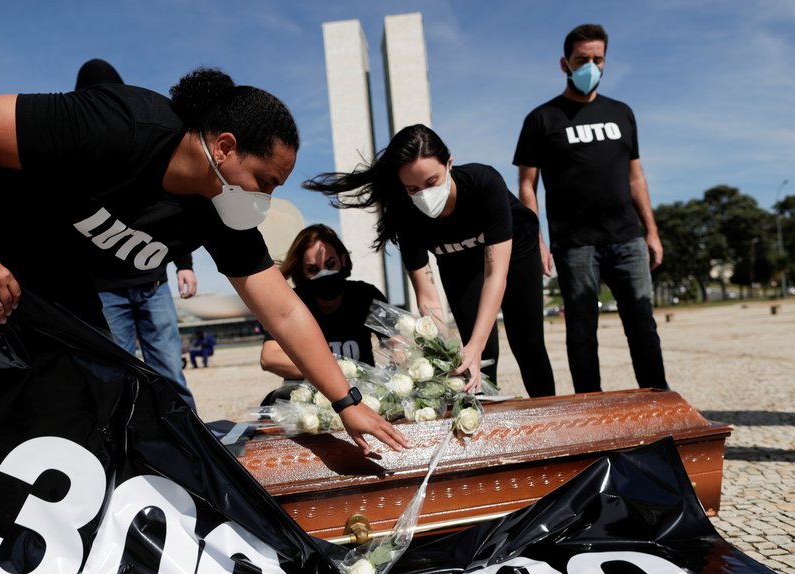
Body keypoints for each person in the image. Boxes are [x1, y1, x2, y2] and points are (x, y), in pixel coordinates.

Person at [0, 68, 409, 574]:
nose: (267, 197)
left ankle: (10, 551)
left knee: (92, 396)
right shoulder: (126, 124)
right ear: (224, 149)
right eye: (265, 179)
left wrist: (346, 401)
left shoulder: (216, 210)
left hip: (31, 266)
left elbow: (281, 309)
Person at [305, 125, 555, 397]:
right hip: (457, 261)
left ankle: (552, 421)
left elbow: (496, 274)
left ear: (449, 163)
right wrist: (446, 349)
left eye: (431, 182)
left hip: (514, 250)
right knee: (477, 359)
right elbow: (428, 299)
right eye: (412, 188)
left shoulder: (484, 182)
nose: (423, 194)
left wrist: (476, 345)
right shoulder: (405, 213)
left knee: (526, 343)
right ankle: (482, 425)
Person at [513, 23, 667, 393]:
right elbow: (526, 186)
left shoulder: (622, 113)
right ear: (565, 63)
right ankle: (590, 406)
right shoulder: (541, 119)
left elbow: (636, 178)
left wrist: (652, 231)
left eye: (598, 59)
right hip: (575, 243)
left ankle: (659, 401)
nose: (591, 66)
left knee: (643, 323)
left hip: (627, 238)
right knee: (582, 330)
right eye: (583, 60)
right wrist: (538, 241)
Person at [76, 58, 198, 409]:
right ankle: (114, 449)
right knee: (112, 373)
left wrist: (184, 264)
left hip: (153, 285)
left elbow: (170, 210)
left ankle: (192, 446)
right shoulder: (79, 150)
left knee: (170, 371)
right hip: (105, 291)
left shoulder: (141, 142)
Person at [259, 224, 388, 403]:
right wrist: (333, 370)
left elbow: (397, 343)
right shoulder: (293, 302)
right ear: (302, 272)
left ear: (342, 260)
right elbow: (269, 358)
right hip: (306, 400)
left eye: (330, 264)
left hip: (363, 394)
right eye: (313, 269)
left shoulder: (366, 296)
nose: (323, 274)